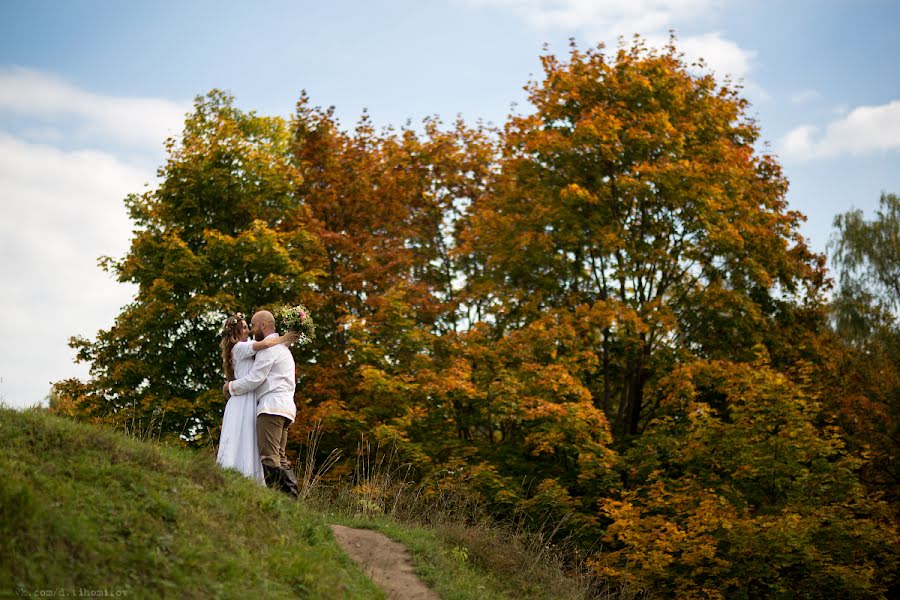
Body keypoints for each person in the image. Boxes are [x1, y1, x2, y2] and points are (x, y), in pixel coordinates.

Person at [223, 310, 300, 498]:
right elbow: (265, 343)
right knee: (279, 457)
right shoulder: (279, 348)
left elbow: (255, 378)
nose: (250, 330)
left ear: (263, 326)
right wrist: (287, 337)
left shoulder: (270, 348)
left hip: (272, 407)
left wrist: (230, 387)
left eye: (253, 325)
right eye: (246, 327)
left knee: (269, 456)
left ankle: (284, 498)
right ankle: (289, 500)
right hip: (285, 408)